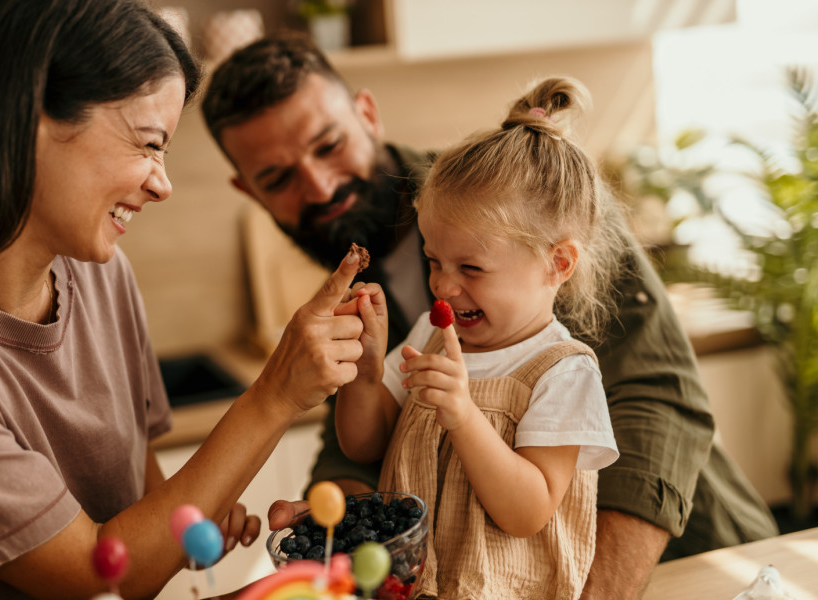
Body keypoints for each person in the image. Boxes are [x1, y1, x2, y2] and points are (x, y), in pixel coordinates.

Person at [201, 33, 778, 599]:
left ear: (367, 113)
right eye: (277, 178)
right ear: (246, 190)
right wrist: (342, 525)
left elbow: (660, 399)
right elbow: (366, 438)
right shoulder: (381, 285)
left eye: (328, 145)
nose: (321, 186)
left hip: (698, 564)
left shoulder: (524, 201)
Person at [0, 4, 367, 599]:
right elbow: (94, 573)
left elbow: (143, 515)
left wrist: (193, 518)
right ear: (29, 115)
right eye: (149, 143)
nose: (162, 182)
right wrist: (277, 393)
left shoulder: (101, 276)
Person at [335, 77, 621, 599]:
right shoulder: (435, 333)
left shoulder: (563, 372)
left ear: (557, 264)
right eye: (434, 261)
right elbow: (364, 443)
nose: (444, 285)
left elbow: (527, 512)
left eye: (471, 267)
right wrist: (366, 371)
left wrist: (464, 415)